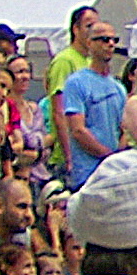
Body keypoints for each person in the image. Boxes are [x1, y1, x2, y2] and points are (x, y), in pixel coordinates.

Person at [52, 17, 127, 189]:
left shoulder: (118, 88)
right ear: (89, 43)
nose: (110, 44)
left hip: (114, 175)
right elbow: (78, 130)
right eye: (103, 39)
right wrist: (107, 156)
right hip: (87, 175)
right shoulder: (76, 83)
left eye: (113, 40)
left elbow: (124, 129)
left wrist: (116, 159)